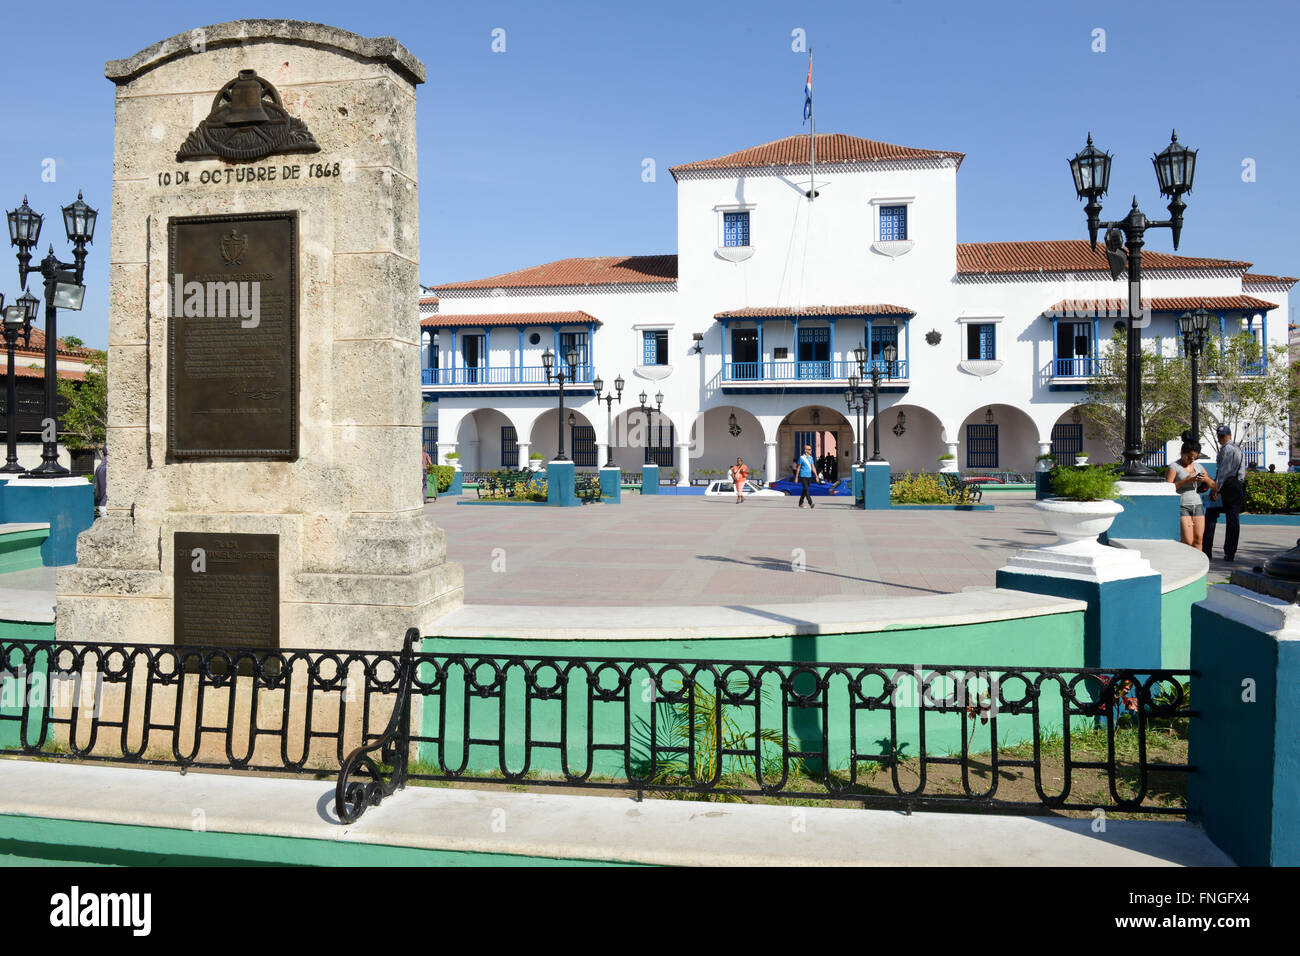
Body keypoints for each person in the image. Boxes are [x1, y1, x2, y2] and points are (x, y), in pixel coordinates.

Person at [1204, 424, 1246, 562]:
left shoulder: (1227, 449)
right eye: (1219, 435)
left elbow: (1223, 472)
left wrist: (1215, 488)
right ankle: (1230, 552)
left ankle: (1207, 550)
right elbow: (1241, 473)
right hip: (1235, 486)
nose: (1221, 438)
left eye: (1223, 435)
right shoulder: (1238, 449)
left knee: (1211, 517)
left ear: (1229, 435)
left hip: (1225, 486)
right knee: (1233, 520)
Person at [1166, 441, 1214, 551]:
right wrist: (1187, 480)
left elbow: (1214, 485)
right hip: (1183, 505)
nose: (1191, 460)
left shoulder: (1198, 467)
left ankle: (1197, 564)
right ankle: (1186, 564)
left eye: (1194, 458)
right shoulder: (1174, 467)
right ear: (1182, 453)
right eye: (1189, 457)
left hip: (1197, 504)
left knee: (1198, 539)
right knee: (1187, 540)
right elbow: (1168, 488)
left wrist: (1206, 479)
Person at [795, 444, 822, 509]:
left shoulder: (811, 458)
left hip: (809, 476)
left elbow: (813, 467)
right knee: (806, 489)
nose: (811, 450)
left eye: (811, 449)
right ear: (805, 450)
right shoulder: (801, 458)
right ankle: (811, 503)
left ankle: (800, 503)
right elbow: (798, 468)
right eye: (809, 449)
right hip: (803, 476)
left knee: (805, 490)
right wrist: (796, 477)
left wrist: (816, 476)